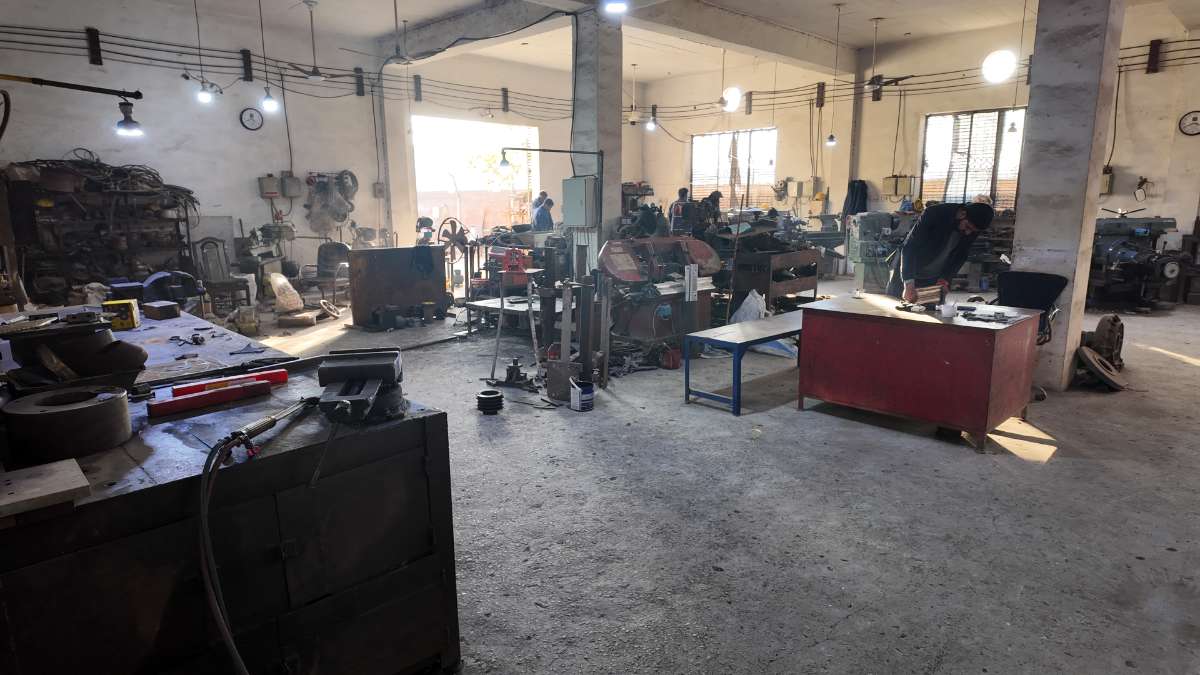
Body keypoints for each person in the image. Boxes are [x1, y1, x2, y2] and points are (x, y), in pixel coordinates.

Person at [886, 202, 994, 302]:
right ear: (962, 214)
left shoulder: (972, 226)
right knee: (894, 309)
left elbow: (961, 255)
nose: (968, 233)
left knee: (931, 313)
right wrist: (908, 284)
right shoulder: (934, 214)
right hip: (906, 272)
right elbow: (910, 247)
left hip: (934, 278)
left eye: (972, 231)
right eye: (967, 227)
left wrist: (945, 279)